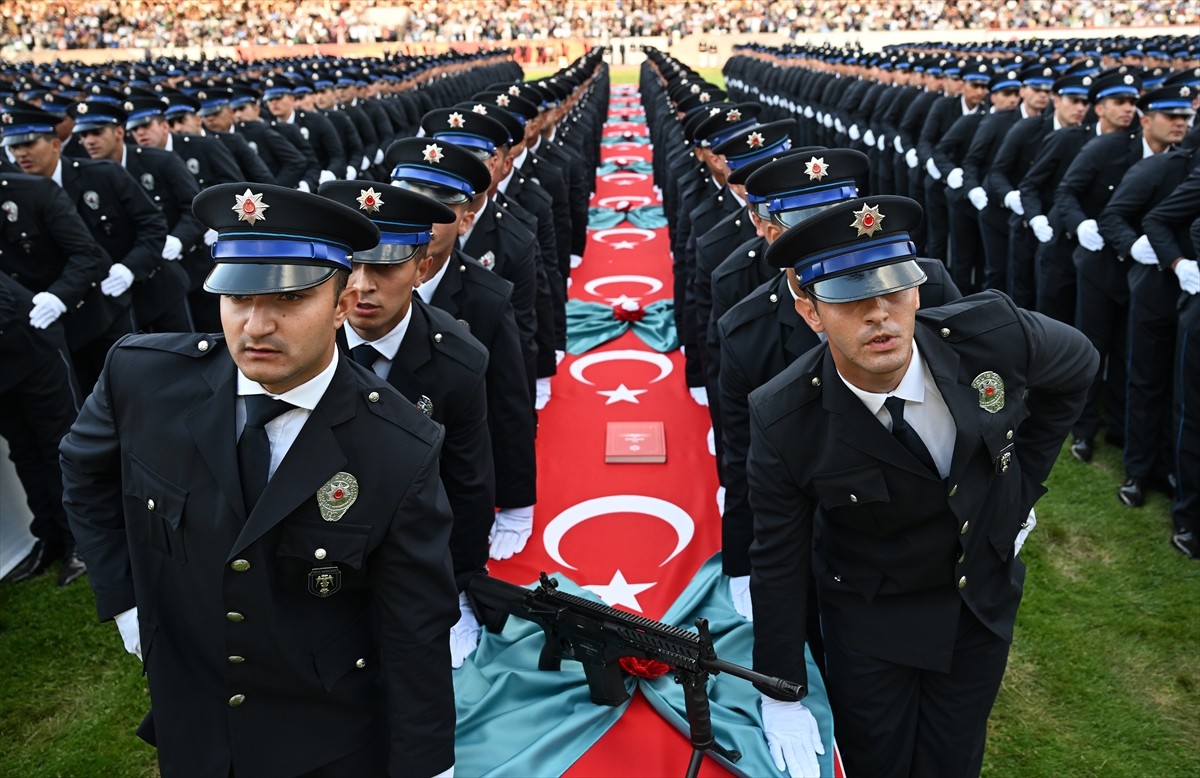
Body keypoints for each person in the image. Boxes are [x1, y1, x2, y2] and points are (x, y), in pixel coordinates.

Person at [60, 182, 458, 777]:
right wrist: (124, 602)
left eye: (290, 298)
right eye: (236, 298)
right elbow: (83, 472)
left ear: (343, 301)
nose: (255, 326)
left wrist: (427, 768)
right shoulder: (142, 380)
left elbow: (414, 633)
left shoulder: (397, 447)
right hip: (192, 714)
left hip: (321, 734)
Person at [748, 195, 1097, 778]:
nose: (879, 314)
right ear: (809, 310)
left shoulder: (990, 336)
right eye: (848, 297)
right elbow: (778, 558)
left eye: (894, 289)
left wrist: (1021, 486)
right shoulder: (786, 417)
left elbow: (1078, 364)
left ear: (917, 289)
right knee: (878, 760)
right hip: (873, 619)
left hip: (977, 604)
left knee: (954, 759)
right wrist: (781, 689)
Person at [320, 179, 496, 667]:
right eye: (350, 264)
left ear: (422, 268)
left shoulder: (457, 363)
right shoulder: (308, 343)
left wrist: (457, 589)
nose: (362, 285)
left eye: (383, 267)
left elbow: (467, 486)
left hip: (416, 542)